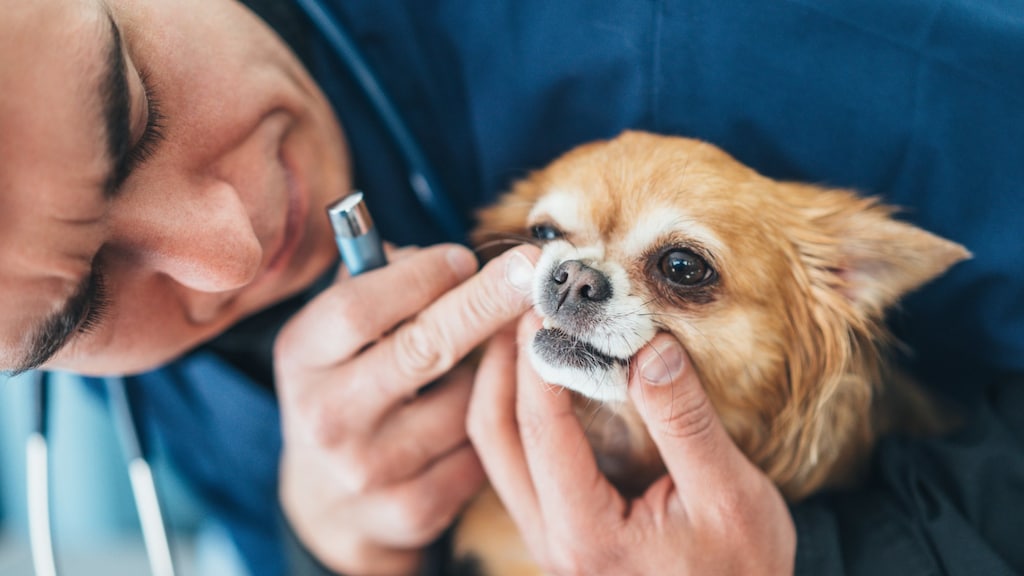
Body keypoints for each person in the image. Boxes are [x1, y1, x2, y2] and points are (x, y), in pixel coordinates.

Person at [1, 1, 1022, 575]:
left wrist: (836, 561)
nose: (231, 252)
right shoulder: (144, 381)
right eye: (82, 302)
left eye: (131, 115)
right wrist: (329, 549)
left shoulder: (741, 30)